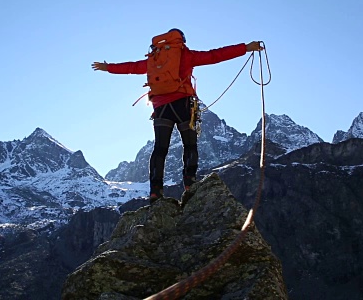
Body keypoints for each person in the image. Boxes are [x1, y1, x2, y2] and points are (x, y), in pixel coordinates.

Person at [92, 28, 263, 204]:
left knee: (160, 149)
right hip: (183, 105)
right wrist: (246, 47)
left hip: (161, 108)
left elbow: (132, 67)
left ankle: (155, 191)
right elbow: (215, 56)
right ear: (181, 40)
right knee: (189, 144)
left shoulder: (153, 59)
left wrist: (108, 67)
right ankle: (190, 183)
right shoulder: (186, 55)